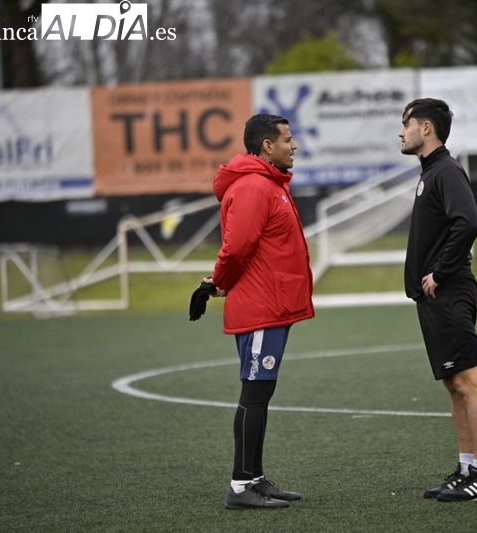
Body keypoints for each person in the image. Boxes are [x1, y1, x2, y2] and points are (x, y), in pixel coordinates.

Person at [205, 113, 315, 509]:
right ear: (267, 145)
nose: (294, 145)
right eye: (288, 139)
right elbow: (236, 248)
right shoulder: (254, 186)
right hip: (260, 309)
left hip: (271, 307)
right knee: (254, 394)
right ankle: (240, 487)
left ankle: (255, 477)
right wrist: (215, 282)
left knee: (260, 393)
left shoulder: (268, 183)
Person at [399, 98, 477, 502]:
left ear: (426, 128)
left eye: (405, 125)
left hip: (450, 290)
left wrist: (440, 272)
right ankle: (465, 468)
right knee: (453, 383)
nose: (400, 132)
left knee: (469, 380)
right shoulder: (431, 173)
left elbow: (469, 222)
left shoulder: (446, 170)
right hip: (435, 297)